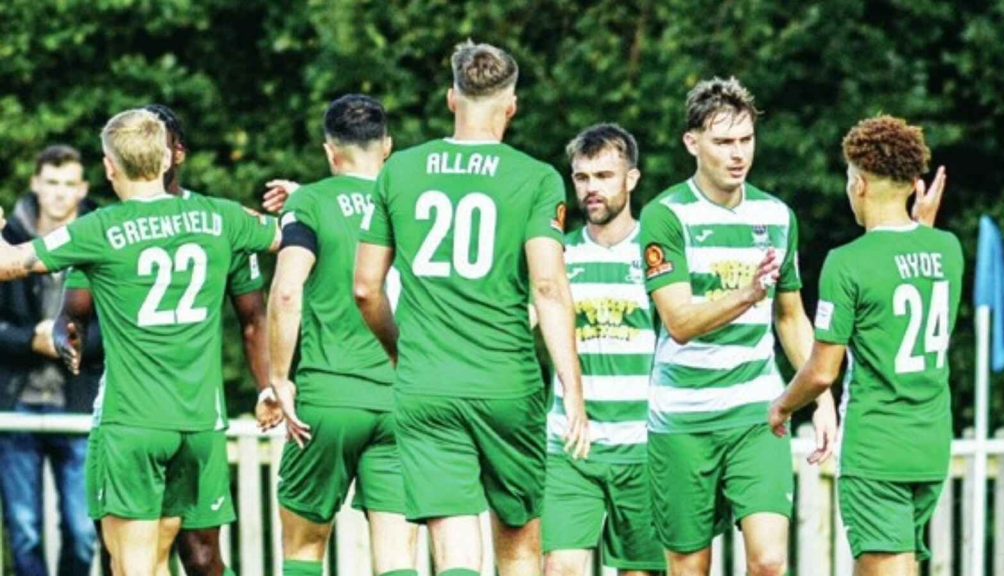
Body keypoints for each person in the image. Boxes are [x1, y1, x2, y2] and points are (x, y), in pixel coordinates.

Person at [0, 108, 281, 575]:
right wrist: (309, 199)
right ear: (168, 159)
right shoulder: (221, 217)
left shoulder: (100, 229)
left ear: (110, 167)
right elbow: (290, 235)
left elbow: (10, 265)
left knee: (133, 566)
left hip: (132, 422)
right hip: (199, 425)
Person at [352, 40, 589, 576]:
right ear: (511, 106)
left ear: (450, 99)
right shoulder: (535, 177)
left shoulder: (401, 171)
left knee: (454, 546)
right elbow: (549, 288)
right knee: (521, 540)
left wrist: (401, 351)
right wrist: (573, 388)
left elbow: (367, 288)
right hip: (508, 384)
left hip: (428, 383)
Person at [638, 77, 836, 576]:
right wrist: (746, 294)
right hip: (682, 418)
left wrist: (824, 399)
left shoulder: (776, 215)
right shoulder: (665, 216)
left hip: (757, 411)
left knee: (769, 562)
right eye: (724, 142)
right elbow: (679, 321)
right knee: (689, 568)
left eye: (746, 140)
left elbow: (791, 317)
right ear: (692, 143)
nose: (738, 154)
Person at [769, 115, 960, 576]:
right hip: (930, 446)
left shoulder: (846, 263)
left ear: (859, 185)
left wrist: (781, 407)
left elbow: (821, 371)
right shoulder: (948, 249)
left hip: (877, 449)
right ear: (913, 184)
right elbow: (912, 259)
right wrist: (922, 221)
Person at [268, 94, 419, 576]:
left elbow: (288, 291)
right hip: (402, 397)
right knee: (398, 558)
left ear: (330, 152)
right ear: (389, 147)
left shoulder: (309, 202)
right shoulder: (415, 204)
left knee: (305, 549)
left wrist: (278, 378)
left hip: (329, 394)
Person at [542, 124, 664, 576]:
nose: (592, 188)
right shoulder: (558, 255)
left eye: (604, 176)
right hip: (572, 446)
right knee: (560, 568)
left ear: (631, 179)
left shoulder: (658, 253)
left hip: (645, 446)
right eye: (582, 177)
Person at [0, 145, 98, 575]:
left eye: (68, 184)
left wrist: (65, 341)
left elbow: (120, 327)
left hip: (78, 405)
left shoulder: (101, 239)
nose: (59, 194)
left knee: (82, 531)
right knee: (25, 530)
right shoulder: (9, 240)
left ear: (83, 189)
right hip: (15, 404)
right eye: (51, 183)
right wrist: (30, 340)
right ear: (36, 184)